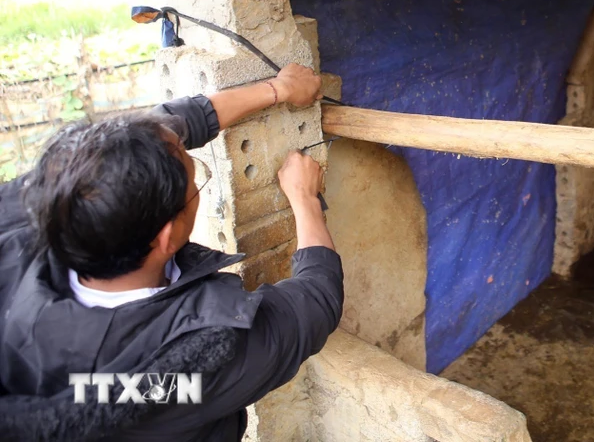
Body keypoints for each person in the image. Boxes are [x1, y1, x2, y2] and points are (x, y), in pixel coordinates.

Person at [0, 63, 344, 441]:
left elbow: (158, 130)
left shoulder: (36, 210)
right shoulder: (182, 375)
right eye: (193, 181)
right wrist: (304, 197)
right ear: (167, 236)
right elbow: (316, 302)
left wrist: (276, 90)